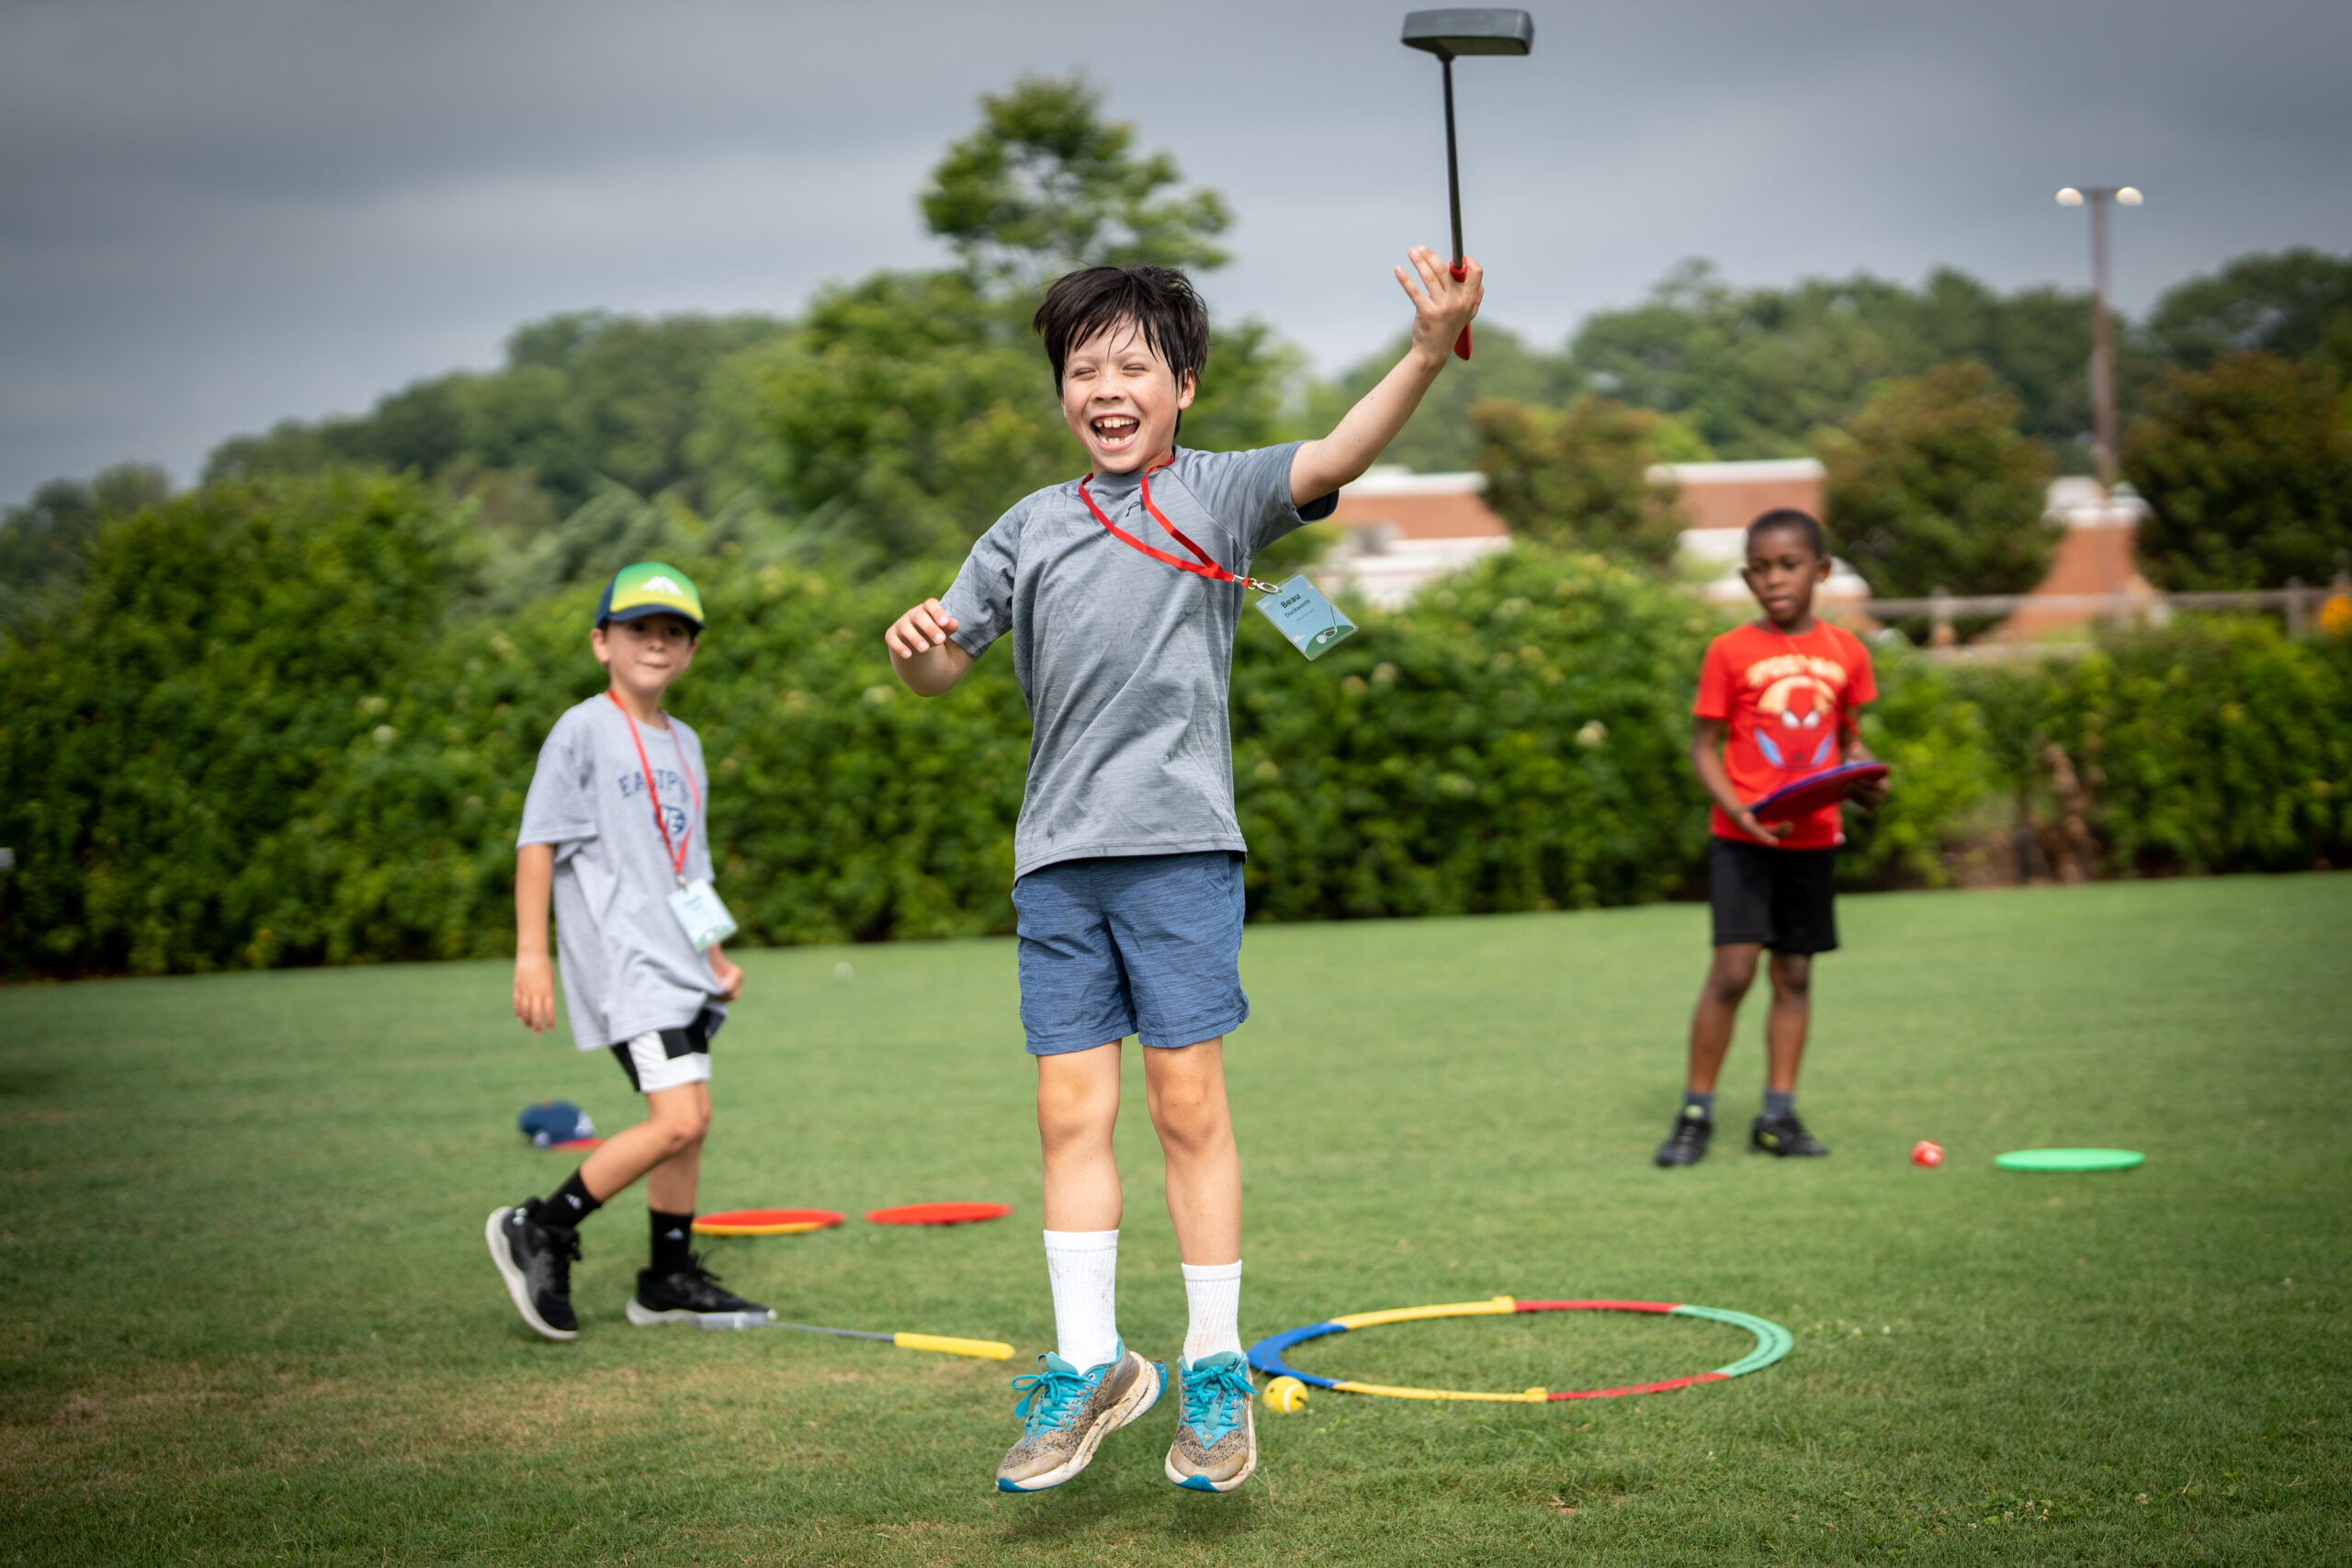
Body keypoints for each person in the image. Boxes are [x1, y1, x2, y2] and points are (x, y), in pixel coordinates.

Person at [884, 254, 1484, 1493]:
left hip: (1180, 857)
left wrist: (1426, 351)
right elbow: (944, 665)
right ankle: (1094, 1360)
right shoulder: (1027, 526)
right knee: (1067, 1113)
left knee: (1188, 1106)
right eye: (1082, 368)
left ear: (1183, 385)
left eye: (1131, 366)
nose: (1106, 387)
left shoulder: (1217, 495)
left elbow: (1336, 456)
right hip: (1057, 863)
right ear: (1061, 392)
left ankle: (1212, 1363)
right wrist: (917, 653)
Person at [487, 561, 763, 1340]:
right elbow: (537, 843)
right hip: (624, 962)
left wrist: (713, 956)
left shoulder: (687, 744)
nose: (657, 642)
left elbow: (690, 866)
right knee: (674, 1120)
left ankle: (667, 1278)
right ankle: (541, 1224)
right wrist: (531, 954)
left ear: (690, 652)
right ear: (601, 641)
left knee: (693, 1119)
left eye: (673, 631)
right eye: (639, 628)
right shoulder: (583, 728)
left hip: (679, 962)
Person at [1657, 510, 1888, 1168]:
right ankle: (1694, 1113)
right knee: (1733, 971)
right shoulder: (1729, 650)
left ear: (1820, 570)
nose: (1773, 579)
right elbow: (1704, 746)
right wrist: (1740, 808)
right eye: (1759, 567)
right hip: (1743, 836)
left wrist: (1868, 782)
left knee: (1795, 971)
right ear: (1745, 576)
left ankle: (1777, 1117)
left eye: (1787, 565)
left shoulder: (1849, 652)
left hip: (1814, 839)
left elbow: (1850, 741)